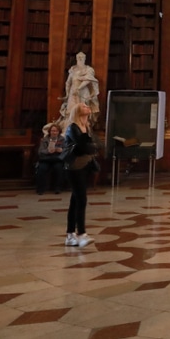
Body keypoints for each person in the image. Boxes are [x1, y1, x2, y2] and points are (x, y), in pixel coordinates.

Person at [63, 103, 98, 248]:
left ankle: (70, 234)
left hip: (86, 165)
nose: (87, 107)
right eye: (84, 106)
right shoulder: (73, 127)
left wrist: (91, 146)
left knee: (75, 200)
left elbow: (95, 145)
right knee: (81, 199)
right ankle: (81, 234)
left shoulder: (87, 127)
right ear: (77, 111)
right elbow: (84, 146)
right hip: (75, 167)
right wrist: (91, 146)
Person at [61, 51, 100, 121]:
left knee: (83, 110)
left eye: (82, 57)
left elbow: (88, 80)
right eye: (78, 57)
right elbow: (68, 82)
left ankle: (84, 126)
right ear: (76, 59)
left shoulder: (88, 69)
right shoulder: (73, 70)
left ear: (85, 59)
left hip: (83, 92)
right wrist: (67, 94)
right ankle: (70, 126)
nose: (80, 58)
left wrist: (79, 88)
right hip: (73, 92)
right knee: (71, 110)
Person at [35, 122, 64, 195]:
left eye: (56, 131)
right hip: (46, 158)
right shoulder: (45, 139)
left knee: (59, 168)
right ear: (50, 131)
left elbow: (67, 150)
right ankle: (40, 189)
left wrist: (61, 150)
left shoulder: (62, 139)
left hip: (57, 158)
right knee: (42, 169)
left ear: (59, 132)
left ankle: (58, 188)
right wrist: (48, 151)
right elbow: (40, 151)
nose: (54, 132)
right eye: (52, 131)